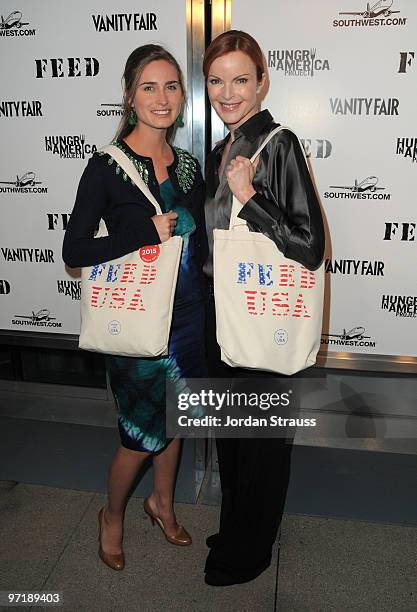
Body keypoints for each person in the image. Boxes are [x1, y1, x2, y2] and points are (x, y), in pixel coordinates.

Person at [62, 44, 207, 571]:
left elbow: (202, 245)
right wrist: (140, 232)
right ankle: (112, 514)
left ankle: (162, 504)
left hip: (190, 319)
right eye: (150, 87)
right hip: (138, 324)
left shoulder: (190, 165)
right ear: (129, 94)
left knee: (175, 421)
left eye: (172, 86)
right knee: (139, 435)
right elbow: (75, 252)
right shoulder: (104, 167)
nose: (162, 98)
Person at [202, 30, 325, 586]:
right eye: (216, 80)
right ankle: (235, 530)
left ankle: (248, 554)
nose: (228, 92)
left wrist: (252, 200)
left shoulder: (279, 145)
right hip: (223, 318)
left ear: (262, 82)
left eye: (240, 79)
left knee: (262, 449)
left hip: (262, 316)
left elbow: (310, 247)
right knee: (233, 442)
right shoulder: (220, 148)